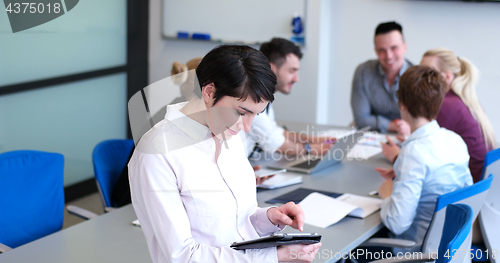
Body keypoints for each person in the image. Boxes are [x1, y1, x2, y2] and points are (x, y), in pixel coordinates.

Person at [128, 45, 321, 263]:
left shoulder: (229, 132)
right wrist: (274, 256)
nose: (246, 127)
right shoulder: (157, 152)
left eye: (255, 116)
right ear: (209, 92)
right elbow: (183, 257)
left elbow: (236, 223)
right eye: (241, 112)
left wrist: (268, 219)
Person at [375, 65, 473, 253]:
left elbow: (397, 223)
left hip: (416, 253)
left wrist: (388, 195)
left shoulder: (413, 152)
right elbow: (466, 195)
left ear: (402, 105)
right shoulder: (455, 141)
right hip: (451, 249)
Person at [381, 48, 495, 183]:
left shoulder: (447, 105)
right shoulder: (462, 99)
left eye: (429, 73)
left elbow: (431, 159)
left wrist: (397, 157)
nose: (420, 78)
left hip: (459, 186)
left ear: (447, 77)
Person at [246, 38, 334, 159]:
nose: (296, 79)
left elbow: (275, 131)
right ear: (271, 68)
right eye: (292, 71)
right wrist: (311, 148)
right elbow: (273, 142)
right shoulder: (251, 98)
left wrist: (316, 140)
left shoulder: (265, 96)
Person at [351, 21, 412, 135]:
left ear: (405, 47)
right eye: (382, 50)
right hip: (371, 137)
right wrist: (393, 126)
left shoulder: (416, 76)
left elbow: (421, 121)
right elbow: (361, 120)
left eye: (394, 48)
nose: (389, 56)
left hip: (406, 137)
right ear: (375, 51)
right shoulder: (363, 72)